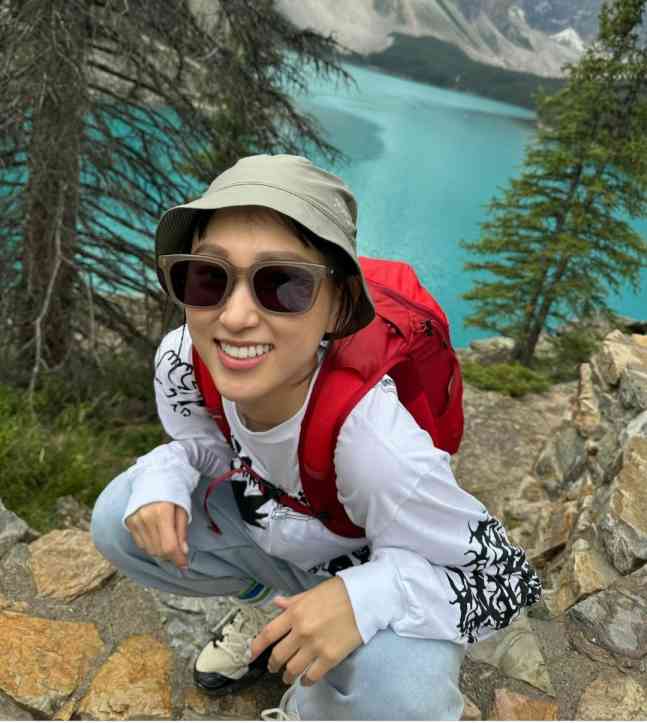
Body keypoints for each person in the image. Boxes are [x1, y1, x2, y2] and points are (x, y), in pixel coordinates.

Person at [91, 154, 541, 721]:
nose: (234, 317)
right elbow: (214, 448)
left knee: (403, 697)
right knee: (120, 515)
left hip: (368, 564)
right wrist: (168, 469)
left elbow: (505, 581)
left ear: (339, 306)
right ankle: (274, 615)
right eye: (207, 276)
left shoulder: (375, 446)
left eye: (282, 284)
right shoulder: (184, 358)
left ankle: (313, 697)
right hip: (281, 535)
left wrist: (364, 597)